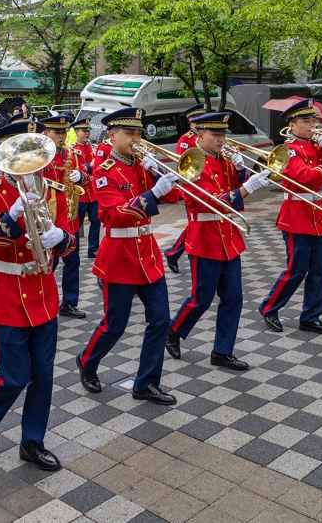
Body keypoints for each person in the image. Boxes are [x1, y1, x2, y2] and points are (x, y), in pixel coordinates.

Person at [0, 120, 75, 472]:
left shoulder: (56, 191)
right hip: (6, 296)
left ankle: (33, 442)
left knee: (43, 376)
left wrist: (61, 240)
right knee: (15, 376)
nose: (27, 159)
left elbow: (71, 242)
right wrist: (13, 215)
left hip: (43, 292)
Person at [76, 108, 181, 405]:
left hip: (147, 255)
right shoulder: (104, 169)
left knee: (160, 320)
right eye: (130, 133)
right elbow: (113, 215)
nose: (137, 138)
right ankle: (87, 359)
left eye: (139, 133)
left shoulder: (142, 164)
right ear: (113, 135)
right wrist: (151, 195)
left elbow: (173, 196)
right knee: (115, 324)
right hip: (119, 258)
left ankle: (146, 383)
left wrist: (162, 172)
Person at [165, 112, 271, 369]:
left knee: (234, 298)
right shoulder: (191, 162)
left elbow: (234, 195)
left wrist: (241, 172)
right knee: (201, 298)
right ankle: (174, 331)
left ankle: (222, 351)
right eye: (216, 134)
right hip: (205, 239)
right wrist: (247, 188)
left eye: (223, 134)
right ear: (200, 135)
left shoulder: (223, 160)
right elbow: (209, 201)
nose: (222, 139)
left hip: (229, 238)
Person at [259, 100, 322, 334]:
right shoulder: (287, 150)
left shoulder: (316, 146)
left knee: (319, 270)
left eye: (313, 120)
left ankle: (311, 316)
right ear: (292, 124)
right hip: (296, 216)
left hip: (317, 215)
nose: (312, 125)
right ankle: (269, 307)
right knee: (296, 269)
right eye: (305, 121)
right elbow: (305, 178)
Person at [40, 113, 87, 319]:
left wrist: (81, 176)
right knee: (48, 264)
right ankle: (43, 302)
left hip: (69, 217)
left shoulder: (72, 154)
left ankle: (69, 302)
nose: (61, 136)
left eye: (63, 132)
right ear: (46, 133)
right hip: (48, 218)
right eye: (56, 132)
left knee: (73, 262)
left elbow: (88, 177)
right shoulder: (39, 156)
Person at [164, 104, 205, 274]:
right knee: (196, 223)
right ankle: (180, 253)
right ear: (190, 123)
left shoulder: (207, 136)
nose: (199, 125)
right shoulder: (185, 140)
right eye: (196, 122)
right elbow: (183, 165)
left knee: (199, 224)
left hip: (209, 185)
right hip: (192, 186)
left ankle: (175, 253)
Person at [71, 118, 101, 259]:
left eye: (88, 130)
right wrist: (90, 167)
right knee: (77, 224)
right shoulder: (72, 150)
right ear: (77, 132)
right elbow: (77, 171)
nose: (87, 133)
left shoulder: (92, 147)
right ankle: (73, 249)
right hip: (81, 194)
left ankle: (93, 249)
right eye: (84, 131)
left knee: (96, 221)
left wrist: (90, 168)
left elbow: (98, 167)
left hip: (93, 192)